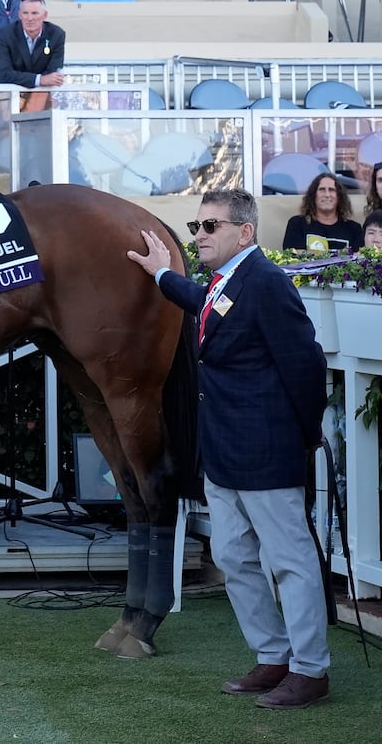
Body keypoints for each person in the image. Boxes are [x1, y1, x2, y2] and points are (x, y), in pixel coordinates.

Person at [126, 191, 331, 709]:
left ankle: (310, 670)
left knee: (289, 561)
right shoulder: (227, 283)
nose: (199, 235)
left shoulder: (266, 282)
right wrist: (160, 276)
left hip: (268, 452)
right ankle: (273, 657)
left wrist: (303, 438)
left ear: (245, 232)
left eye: (210, 226)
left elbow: (306, 369)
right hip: (222, 453)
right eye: (197, 225)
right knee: (235, 557)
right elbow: (206, 307)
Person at [281, 172, 363, 253]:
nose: (327, 195)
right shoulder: (297, 224)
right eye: (322, 189)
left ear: (339, 196)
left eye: (331, 190)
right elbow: (292, 254)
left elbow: (359, 259)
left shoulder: (354, 229)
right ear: (313, 195)